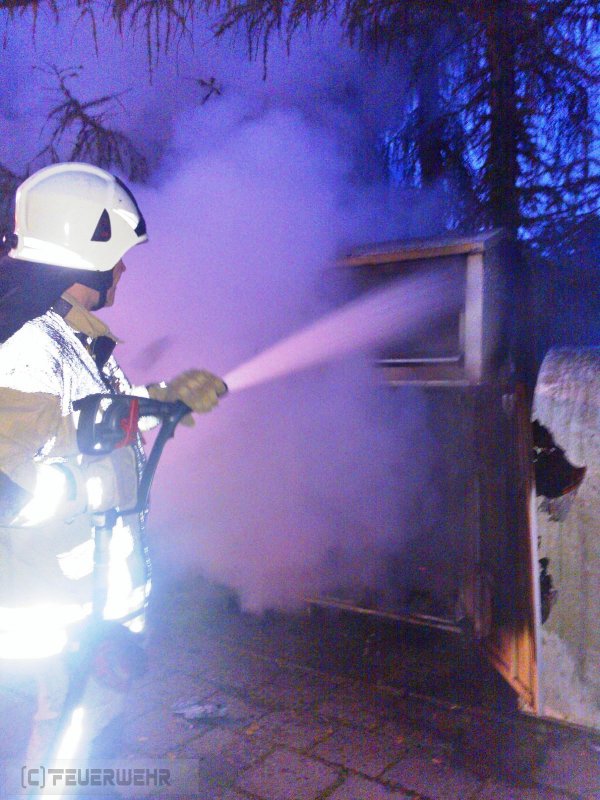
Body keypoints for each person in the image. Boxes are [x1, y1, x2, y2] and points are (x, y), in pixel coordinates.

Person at [0, 162, 226, 774]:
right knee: (66, 737)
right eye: (117, 255)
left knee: (92, 729)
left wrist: (162, 399)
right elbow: (15, 476)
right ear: (84, 252)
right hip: (63, 594)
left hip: (94, 587)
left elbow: (91, 419)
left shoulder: (70, 336)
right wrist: (91, 480)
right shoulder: (27, 345)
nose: (124, 268)